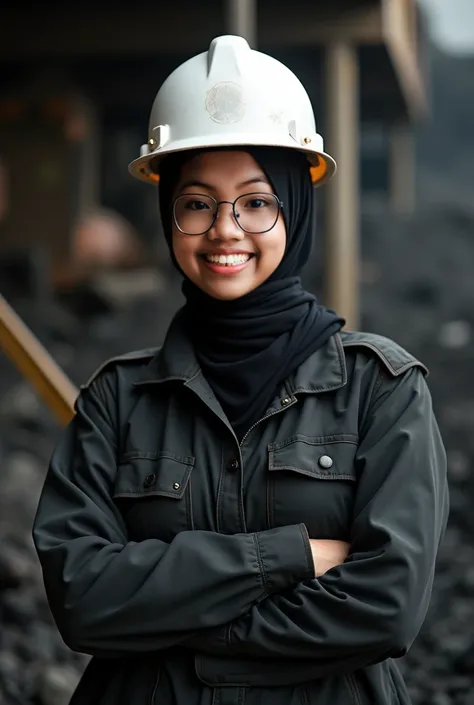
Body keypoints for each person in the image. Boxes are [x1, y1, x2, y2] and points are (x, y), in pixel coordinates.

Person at [32, 35, 449, 705]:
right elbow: (83, 598)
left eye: (256, 202)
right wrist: (291, 557)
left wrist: (171, 621)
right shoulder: (117, 400)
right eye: (197, 203)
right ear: (169, 214)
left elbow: (387, 606)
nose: (225, 229)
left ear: (297, 205)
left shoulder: (383, 389)